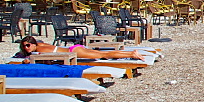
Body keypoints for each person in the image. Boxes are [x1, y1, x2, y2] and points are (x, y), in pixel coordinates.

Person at [16, 36, 146, 61]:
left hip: (73, 52)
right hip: (74, 48)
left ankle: (131, 55)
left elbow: (35, 59)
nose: (26, 48)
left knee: (103, 55)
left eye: (28, 45)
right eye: (24, 47)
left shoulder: (39, 50)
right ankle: (130, 53)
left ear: (33, 44)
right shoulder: (41, 44)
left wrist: (26, 58)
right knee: (104, 53)